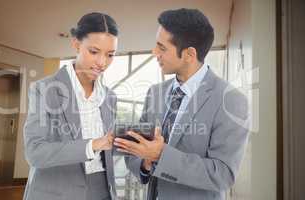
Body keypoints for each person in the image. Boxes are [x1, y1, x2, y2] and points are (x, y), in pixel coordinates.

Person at [113, 8, 249, 200]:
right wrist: (145, 162)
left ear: (189, 54)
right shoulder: (155, 92)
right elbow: (136, 152)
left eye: (162, 48)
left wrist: (161, 155)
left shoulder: (231, 100)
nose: (154, 52)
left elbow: (223, 174)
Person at [23, 12, 118, 200]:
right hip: (56, 192)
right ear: (75, 44)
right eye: (94, 52)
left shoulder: (110, 97)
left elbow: (109, 149)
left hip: (103, 192)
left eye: (110, 55)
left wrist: (136, 146)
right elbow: (35, 152)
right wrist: (92, 145)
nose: (102, 63)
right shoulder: (44, 89)